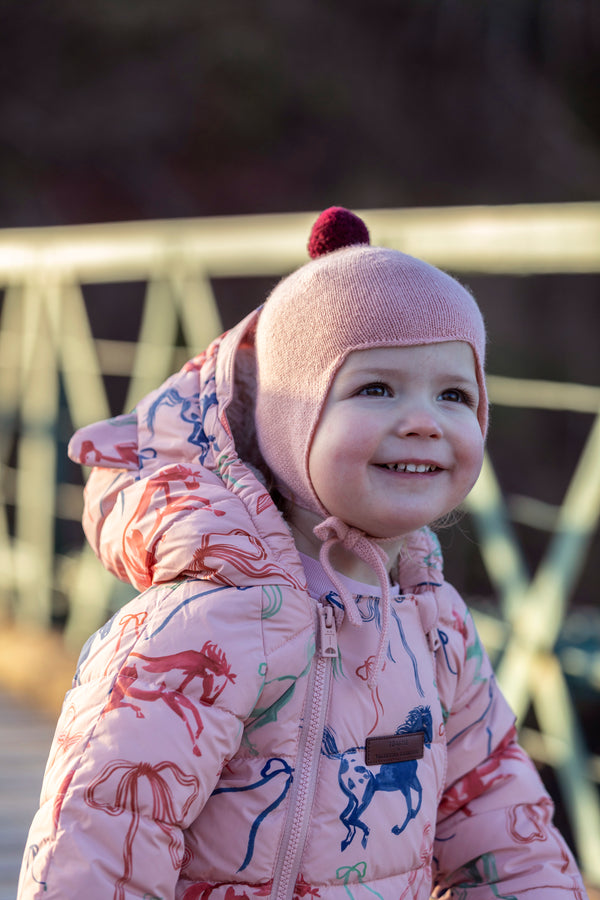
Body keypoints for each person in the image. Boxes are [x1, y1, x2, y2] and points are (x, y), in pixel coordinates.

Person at [18, 208, 588, 900]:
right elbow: (98, 850)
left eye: (455, 395)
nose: (424, 421)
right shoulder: (196, 633)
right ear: (290, 424)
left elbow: (504, 833)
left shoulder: (435, 628)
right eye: (375, 388)